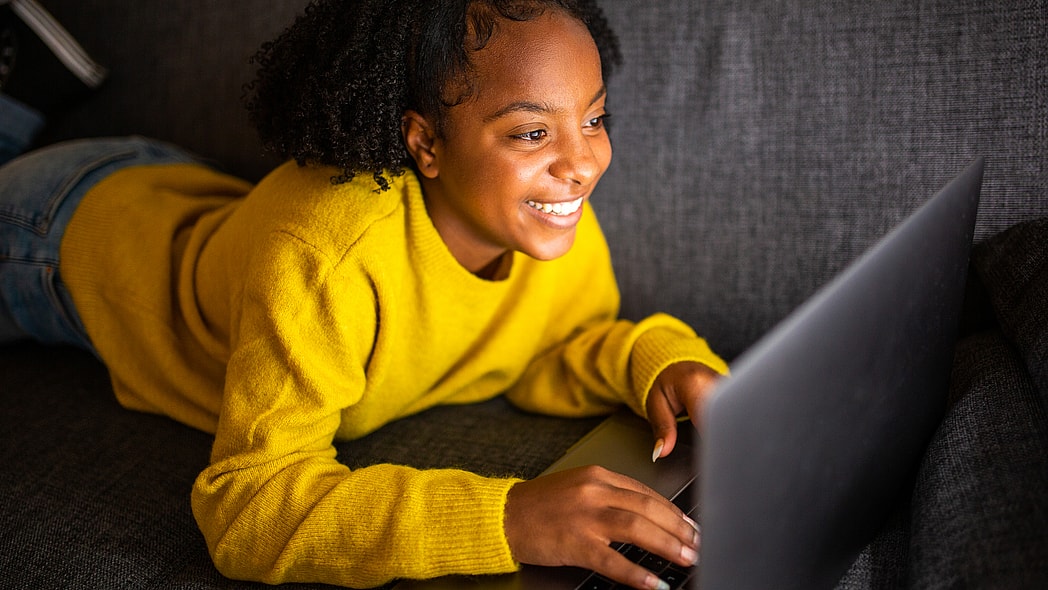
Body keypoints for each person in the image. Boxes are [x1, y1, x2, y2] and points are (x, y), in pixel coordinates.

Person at [0, 1, 729, 589]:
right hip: (55, 235)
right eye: (533, 133)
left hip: (181, 191)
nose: (582, 164)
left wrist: (659, 364)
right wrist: (507, 518)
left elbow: (547, 345)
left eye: (593, 118)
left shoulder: (546, 212)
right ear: (426, 144)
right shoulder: (323, 257)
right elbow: (248, 509)